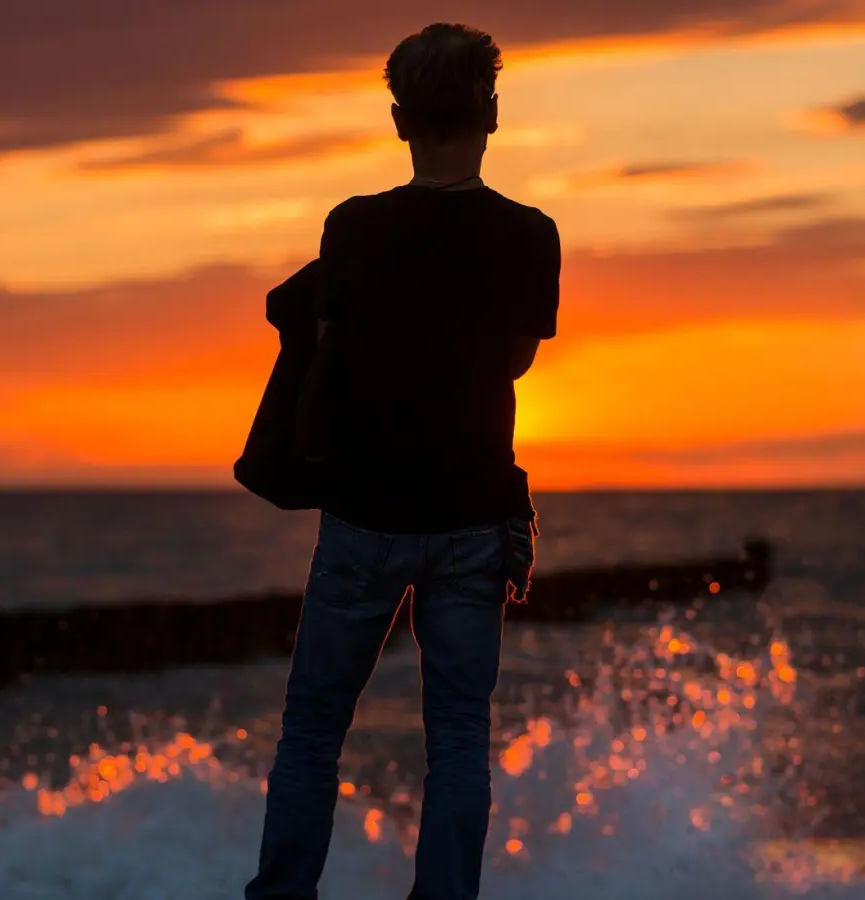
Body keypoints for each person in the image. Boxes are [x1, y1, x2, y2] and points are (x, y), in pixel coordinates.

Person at [245, 22, 562, 900]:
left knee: (313, 728)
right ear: (491, 113)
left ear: (398, 121)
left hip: (364, 515)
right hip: (471, 517)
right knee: (458, 735)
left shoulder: (354, 227)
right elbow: (516, 361)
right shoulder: (531, 234)